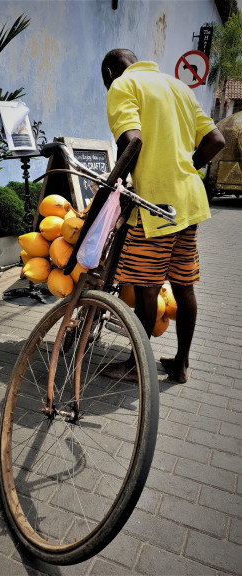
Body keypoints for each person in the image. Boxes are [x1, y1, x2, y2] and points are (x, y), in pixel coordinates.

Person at [101, 49, 225, 383]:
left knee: (146, 287)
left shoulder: (122, 86)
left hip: (155, 206)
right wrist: (188, 167)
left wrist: (110, 188)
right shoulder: (179, 87)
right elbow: (215, 139)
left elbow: (132, 140)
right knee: (184, 287)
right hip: (189, 205)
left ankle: (136, 365)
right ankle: (181, 365)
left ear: (110, 74)